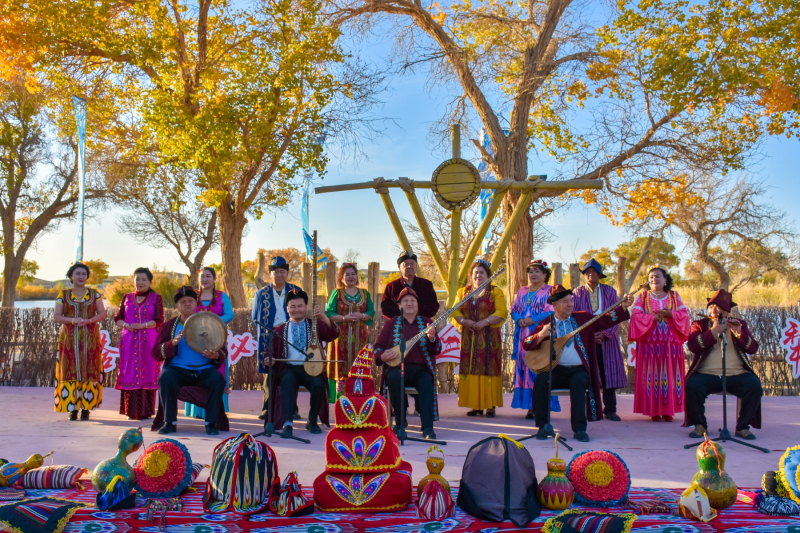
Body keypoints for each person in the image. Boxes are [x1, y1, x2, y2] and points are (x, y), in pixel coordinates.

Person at [523, 285, 634, 442]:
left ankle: (580, 429)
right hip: (555, 370)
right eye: (565, 302)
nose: (570, 304)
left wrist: (622, 307)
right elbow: (526, 343)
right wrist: (541, 335)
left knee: (579, 383)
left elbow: (606, 320)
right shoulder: (546, 323)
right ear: (554, 305)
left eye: (571, 301)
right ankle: (542, 427)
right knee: (540, 381)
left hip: (578, 370)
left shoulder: (583, 318)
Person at [685, 289, 762, 440]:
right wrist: (713, 331)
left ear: (727, 311)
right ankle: (700, 425)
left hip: (736, 374)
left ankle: (742, 427)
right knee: (692, 385)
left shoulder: (740, 324)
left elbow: (752, 348)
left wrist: (739, 333)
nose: (714, 310)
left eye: (719, 308)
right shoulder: (699, 324)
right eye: (712, 306)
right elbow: (693, 346)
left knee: (754, 386)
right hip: (707, 374)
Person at [152, 286, 227, 435]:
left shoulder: (208, 322)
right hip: (176, 369)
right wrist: (172, 343)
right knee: (165, 378)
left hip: (203, 369)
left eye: (190, 301)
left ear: (196, 303)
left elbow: (222, 349)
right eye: (183, 302)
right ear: (177, 306)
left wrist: (216, 355)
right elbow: (155, 352)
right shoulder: (169, 326)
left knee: (217, 379)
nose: (187, 304)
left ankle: (211, 423)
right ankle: (170, 422)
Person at [267, 289, 340, 436]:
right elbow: (270, 353)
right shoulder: (280, 330)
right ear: (287, 309)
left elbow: (334, 334)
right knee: (287, 381)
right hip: (290, 368)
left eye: (300, 306)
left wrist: (324, 318)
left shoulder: (315, 325)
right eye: (292, 306)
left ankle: (312, 421)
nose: (297, 310)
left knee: (318, 384)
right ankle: (288, 423)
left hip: (312, 368)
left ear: (306, 307)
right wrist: (269, 359)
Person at [374, 287, 442, 439]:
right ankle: (399, 424)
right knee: (394, 378)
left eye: (413, 301)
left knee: (426, 381)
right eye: (405, 301)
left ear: (418, 304)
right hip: (397, 367)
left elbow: (437, 349)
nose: (410, 303)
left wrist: (432, 338)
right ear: (399, 306)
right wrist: (383, 355)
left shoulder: (427, 323)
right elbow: (378, 346)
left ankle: (427, 428)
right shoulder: (391, 324)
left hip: (420, 369)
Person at [628, 265, 691, 422]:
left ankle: (669, 411)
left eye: (657, 276)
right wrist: (652, 318)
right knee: (652, 374)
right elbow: (635, 317)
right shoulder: (642, 298)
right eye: (651, 277)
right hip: (650, 344)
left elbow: (684, 315)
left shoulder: (675, 296)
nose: (654, 279)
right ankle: (654, 411)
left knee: (669, 374)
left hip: (671, 344)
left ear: (665, 279)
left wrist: (672, 314)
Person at [571, 259, 626, 421]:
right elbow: (575, 317)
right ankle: (592, 410)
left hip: (607, 340)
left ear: (599, 274)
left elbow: (616, 314)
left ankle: (610, 409)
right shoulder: (577, 293)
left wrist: (605, 334)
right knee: (589, 374)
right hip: (586, 339)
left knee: (608, 372)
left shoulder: (610, 291)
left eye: (593, 272)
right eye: (587, 272)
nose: (590, 275)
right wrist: (588, 335)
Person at [452, 259, 508, 418]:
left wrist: (484, 322)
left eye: (481, 272)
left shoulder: (495, 292)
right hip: (469, 338)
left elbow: (502, 312)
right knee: (471, 369)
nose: (478, 275)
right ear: (471, 275)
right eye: (475, 273)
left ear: (488, 275)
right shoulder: (463, 293)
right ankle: (475, 406)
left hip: (490, 338)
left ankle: (490, 405)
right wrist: (464, 321)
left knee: (488, 368)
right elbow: (455, 311)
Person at [53, 262, 106, 421]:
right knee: (70, 370)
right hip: (69, 339)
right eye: (78, 274)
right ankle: (72, 409)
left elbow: (102, 313)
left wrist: (89, 321)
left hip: (90, 338)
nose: (81, 277)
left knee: (90, 370)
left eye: (84, 274)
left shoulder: (95, 294)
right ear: (71, 276)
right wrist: (73, 320)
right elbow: (57, 316)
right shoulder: (63, 295)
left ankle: (86, 409)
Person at [252, 256, 301, 420]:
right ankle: (267, 407)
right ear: (270, 274)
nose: (279, 275)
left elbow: (302, 311)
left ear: (287, 273)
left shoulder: (296, 291)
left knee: (291, 370)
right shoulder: (261, 294)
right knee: (269, 371)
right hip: (269, 335)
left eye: (282, 272)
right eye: (275, 272)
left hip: (291, 334)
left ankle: (292, 408)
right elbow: (255, 317)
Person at [114, 267, 164, 420]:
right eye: (137, 279)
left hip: (149, 341)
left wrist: (141, 326)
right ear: (133, 281)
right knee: (130, 372)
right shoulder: (127, 297)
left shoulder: (156, 298)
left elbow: (159, 320)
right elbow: (118, 318)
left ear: (150, 282)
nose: (140, 282)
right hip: (129, 342)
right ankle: (130, 411)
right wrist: (126, 325)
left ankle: (147, 411)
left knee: (148, 372)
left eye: (144, 279)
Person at [510, 259, 557, 419]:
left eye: (537, 271)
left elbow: (551, 310)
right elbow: (514, 308)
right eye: (531, 271)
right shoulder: (522, 290)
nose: (533, 274)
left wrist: (533, 320)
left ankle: (540, 405)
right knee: (525, 366)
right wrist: (519, 319)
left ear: (545, 274)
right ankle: (529, 406)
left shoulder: (550, 290)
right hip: (523, 336)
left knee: (538, 367)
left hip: (540, 334)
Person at [185, 267, 234, 419]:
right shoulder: (193, 296)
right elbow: (186, 313)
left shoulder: (222, 296)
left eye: (208, 276)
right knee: (196, 371)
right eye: (202, 276)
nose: (205, 279)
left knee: (216, 370)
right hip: (196, 340)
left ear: (214, 278)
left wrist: (214, 321)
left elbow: (229, 315)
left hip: (216, 340)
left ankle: (215, 408)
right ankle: (197, 410)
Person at [325, 263, 374, 402]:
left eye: (353, 274)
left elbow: (371, 311)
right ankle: (340, 400)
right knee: (341, 367)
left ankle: (360, 399)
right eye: (347, 274)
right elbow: (329, 312)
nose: (351, 277)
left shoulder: (365, 293)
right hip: (340, 338)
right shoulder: (337, 293)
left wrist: (363, 316)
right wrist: (344, 318)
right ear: (341, 277)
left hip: (361, 337)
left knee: (360, 365)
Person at [381, 251, 440, 319]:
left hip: (422, 324)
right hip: (398, 325)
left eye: (412, 264)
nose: (409, 266)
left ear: (416, 266)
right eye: (406, 264)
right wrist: (403, 313)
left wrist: (416, 311)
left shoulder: (426, 285)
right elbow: (385, 308)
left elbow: (434, 306)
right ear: (399, 267)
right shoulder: (391, 286)